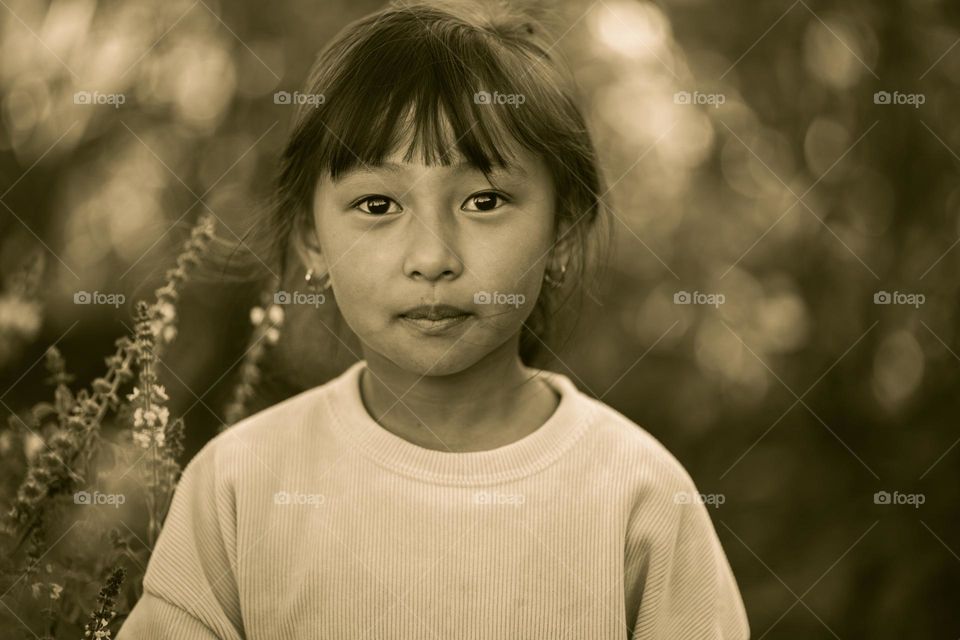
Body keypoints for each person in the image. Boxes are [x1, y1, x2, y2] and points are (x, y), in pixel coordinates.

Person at [118, 1, 750, 637]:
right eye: (376, 203)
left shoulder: (640, 497)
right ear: (313, 240)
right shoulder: (240, 486)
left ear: (561, 231)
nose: (432, 258)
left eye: (483, 200)